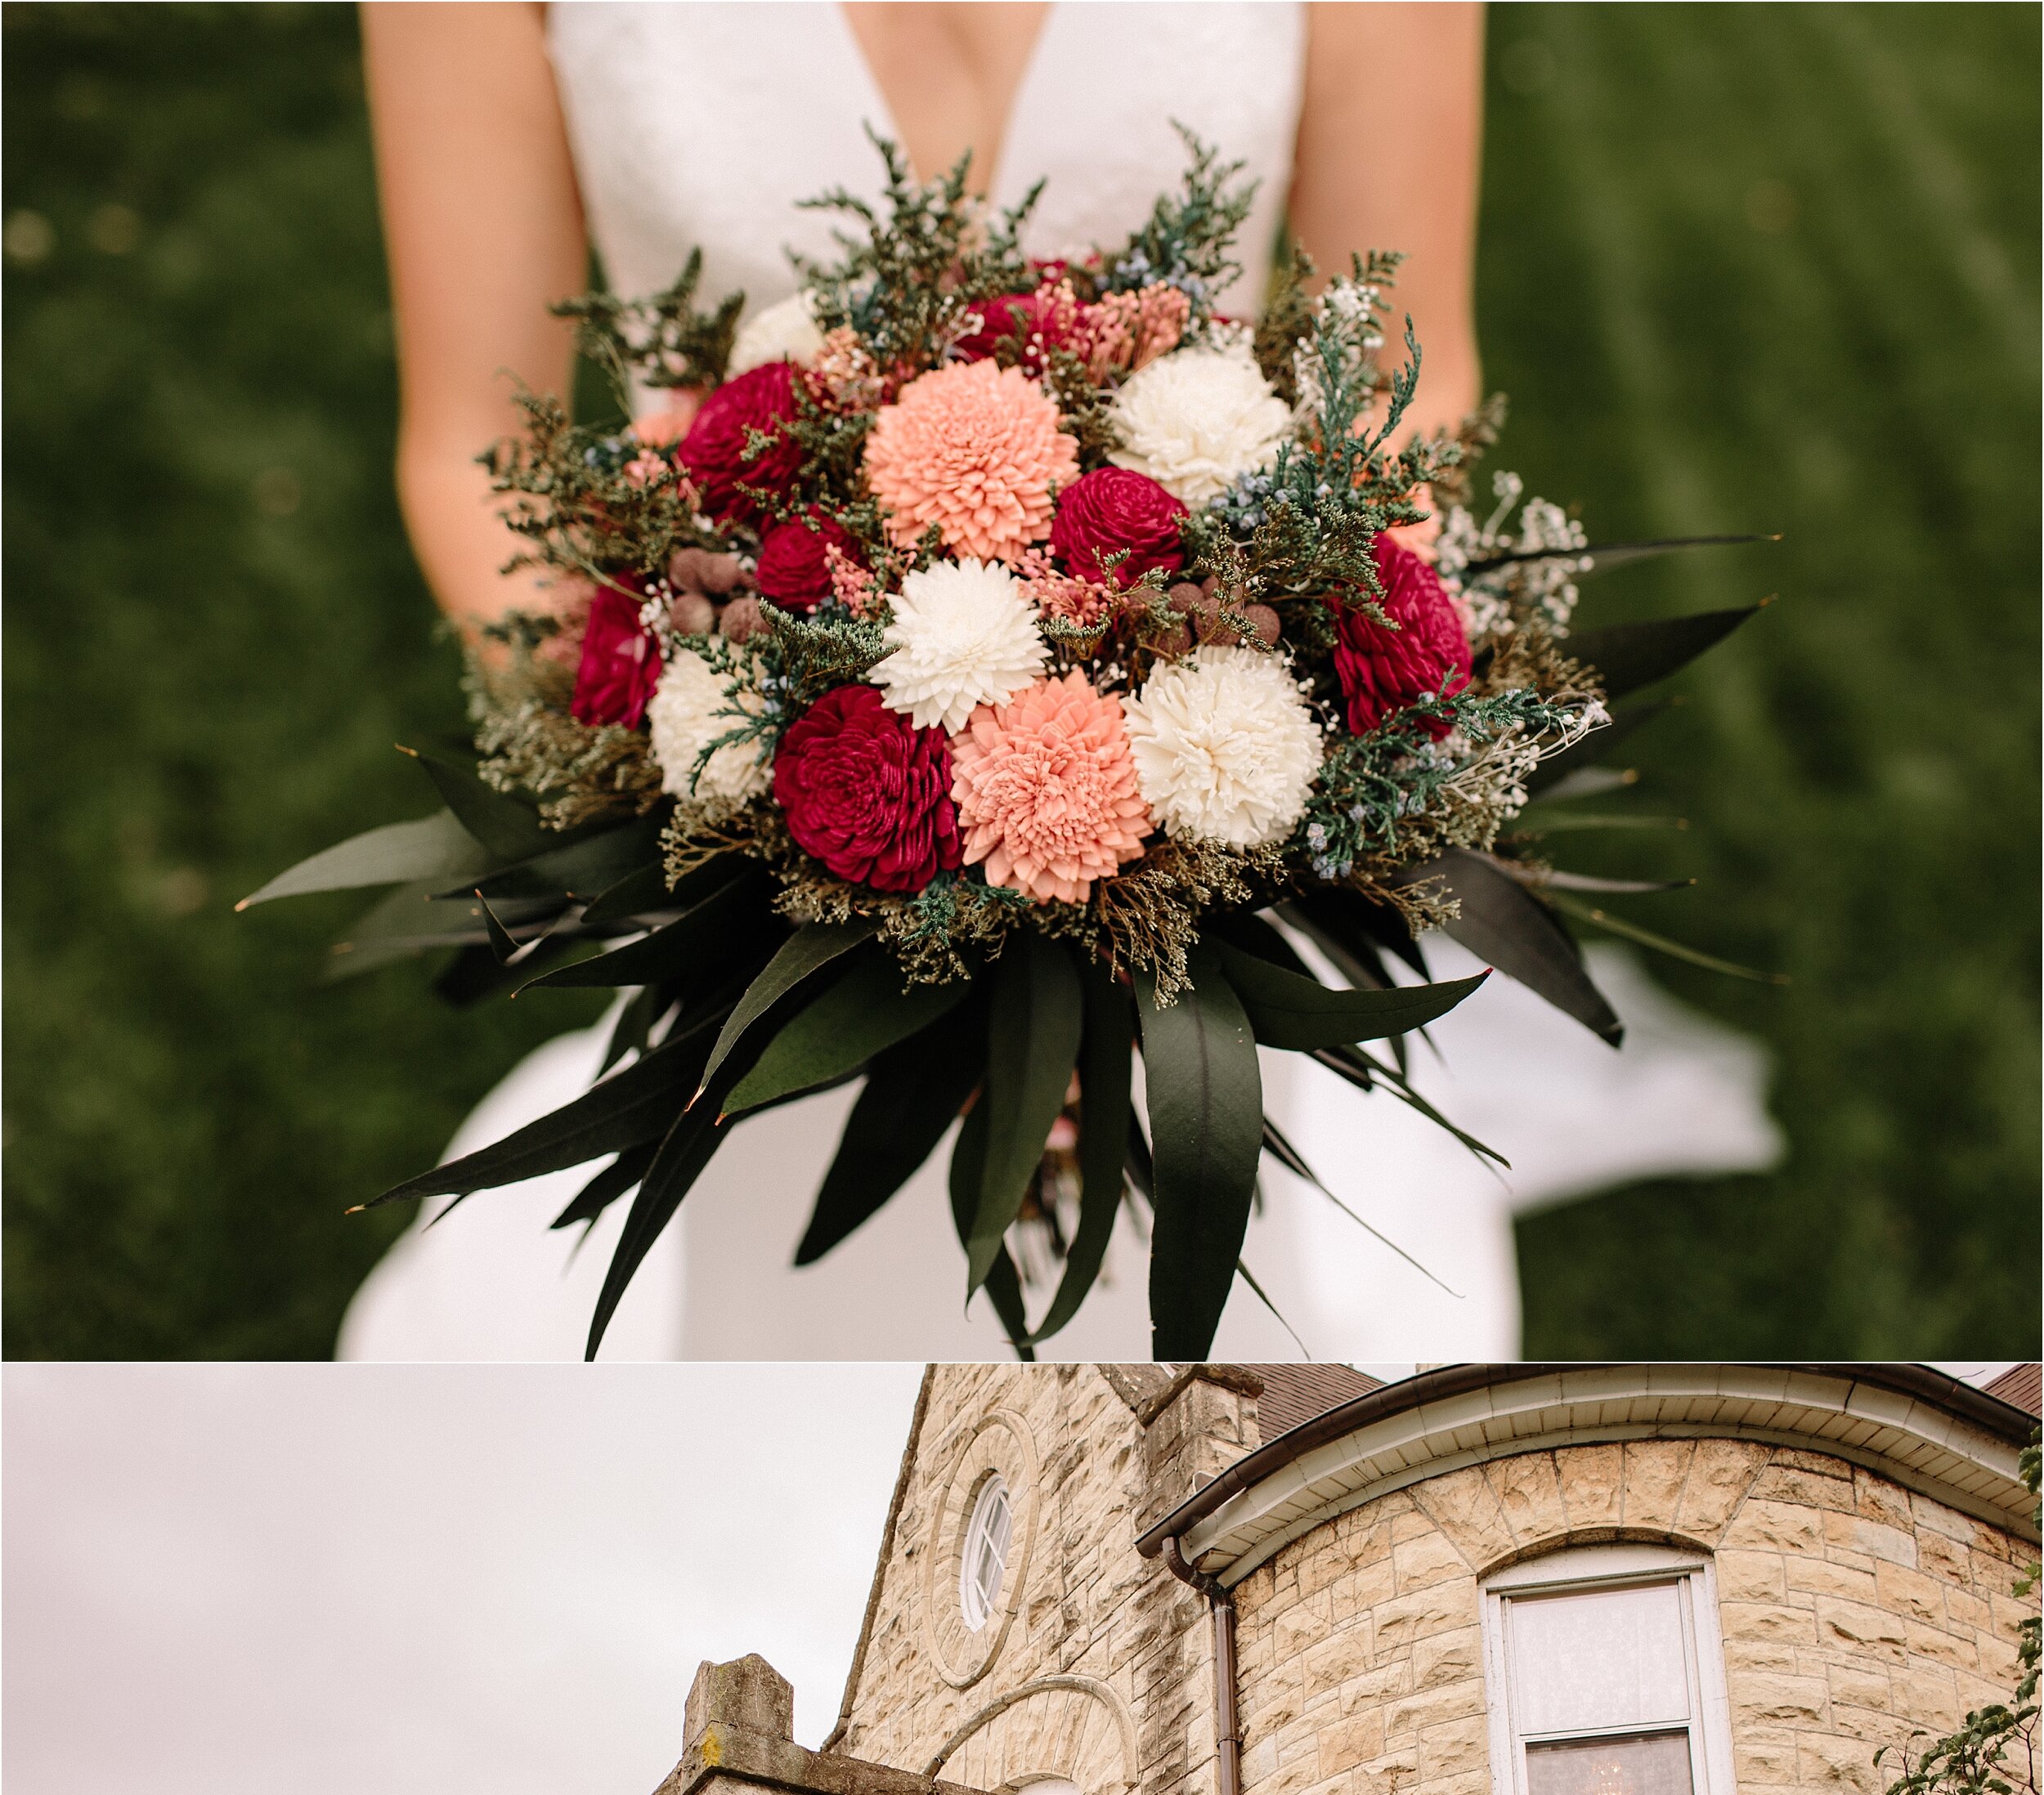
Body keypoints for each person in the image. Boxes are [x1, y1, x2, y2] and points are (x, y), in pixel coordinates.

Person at [342, 2, 1779, 1363]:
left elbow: (1417, 382)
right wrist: (708, 759)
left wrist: (1196, 829)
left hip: (1188, 830)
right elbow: (474, 450)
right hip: (772, 885)